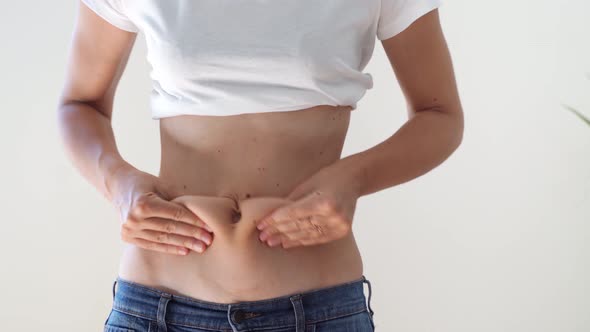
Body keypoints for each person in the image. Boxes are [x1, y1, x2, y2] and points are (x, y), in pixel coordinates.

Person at [57, 0, 463, 331]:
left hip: (318, 312)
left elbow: (439, 114)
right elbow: (80, 104)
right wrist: (120, 185)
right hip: (156, 308)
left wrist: (352, 179)